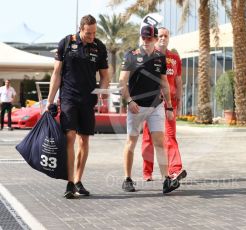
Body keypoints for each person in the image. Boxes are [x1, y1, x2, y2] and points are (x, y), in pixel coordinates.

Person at [46, 14, 110, 199]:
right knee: (70, 137)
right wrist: (50, 101)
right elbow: (56, 74)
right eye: (88, 33)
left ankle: (78, 180)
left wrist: (102, 91)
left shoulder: (99, 47)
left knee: (84, 140)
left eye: (94, 33)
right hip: (68, 98)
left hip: (88, 100)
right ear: (80, 29)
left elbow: (105, 76)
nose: (91, 36)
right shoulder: (66, 43)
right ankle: (70, 182)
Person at [119, 25, 179, 194]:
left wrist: (168, 105)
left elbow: (164, 83)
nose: (146, 41)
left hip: (156, 106)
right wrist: (129, 101)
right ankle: (127, 179)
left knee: (159, 141)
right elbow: (122, 81)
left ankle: (166, 180)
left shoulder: (160, 58)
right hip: (136, 107)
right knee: (131, 142)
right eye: (144, 38)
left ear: (154, 39)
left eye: (149, 38)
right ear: (141, 38)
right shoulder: (131, 56)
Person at [141, 27, 187, 182]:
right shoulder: (148, 55)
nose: (162, 38)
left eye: (165, 36)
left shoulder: (174, 58)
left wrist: (178, 102)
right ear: (155, 38)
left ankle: (175, 169)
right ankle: (147, 171)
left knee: (170, 136)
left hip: (169, 104)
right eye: (160, 36)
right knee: (148, 137)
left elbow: (179, 81)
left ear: (169, 38)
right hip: (151, 103)